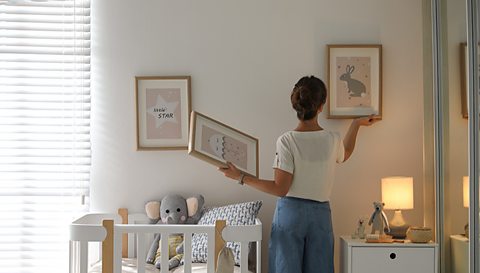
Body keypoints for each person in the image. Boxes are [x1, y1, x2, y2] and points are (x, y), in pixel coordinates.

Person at [218, 75, 380, 273]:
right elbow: (345, 154)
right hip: (320, 216)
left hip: (290, 215)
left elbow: (280, 188)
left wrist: (241, 177)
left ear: (295, 105)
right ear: (321, 106)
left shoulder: (287, 141)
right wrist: (356, 125)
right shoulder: (332, 140)